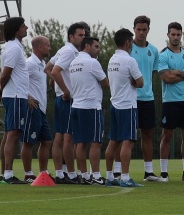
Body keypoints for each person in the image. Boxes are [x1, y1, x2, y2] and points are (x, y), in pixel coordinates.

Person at [157, 22, 184, 182]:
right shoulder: (163, 55)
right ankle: (164, 173)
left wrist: (176, 72)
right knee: (167, 135)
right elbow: (166, 78)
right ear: (168, 35)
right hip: (170, 101)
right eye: (173, 34)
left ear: (181, 35)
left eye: (178, 34)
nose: (176, 37)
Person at [47, 22, 86, 184]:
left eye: (84, 35)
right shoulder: (70, 51)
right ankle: (70, 174)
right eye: (80, 35)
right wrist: (65, 91)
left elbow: (48, 68)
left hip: (60, 98)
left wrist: (55, 86)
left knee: (60, 136)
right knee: (68, 138)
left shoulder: (63, 50)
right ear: (71, 36)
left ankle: (60, 173)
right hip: (67, 99)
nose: (83, 38)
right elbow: (55, 71)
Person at [104, 28, 144, 187]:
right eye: (131, 41)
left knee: (113, 141)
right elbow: (140, 82)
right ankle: (125, 178)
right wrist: (133, 81)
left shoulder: (112, 59)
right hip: (128, 106)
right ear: (128, 42)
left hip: (115, 104)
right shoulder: (130, 60)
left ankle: (109, 176)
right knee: (128, 142)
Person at [0, 17, 30, 185]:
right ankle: (8, 174)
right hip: (15, 95)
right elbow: (6, 73)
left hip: (14, 94)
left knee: (9, 134)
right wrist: (0, 91)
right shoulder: (14, 48)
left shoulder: (11, 47)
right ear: (16, 30)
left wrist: (0, 92)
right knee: (13, 135)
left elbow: (4, 74)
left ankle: (4, 173)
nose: (26, 28)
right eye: (23, 26)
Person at [69, 35, 108, 185]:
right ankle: (96, 176)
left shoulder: (73, 62)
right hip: (91, 107)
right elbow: (105, 83)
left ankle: (84, 175)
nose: (99, 50)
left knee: (80, 143)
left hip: (76, 106)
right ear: (87, 46)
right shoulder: (92, 62)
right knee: (96, 142)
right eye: (96, 46)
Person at [130, 15, 164, 182]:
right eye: (138, 29)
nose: (141, 33)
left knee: (147, 134)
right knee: (127, 136)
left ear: (148, 30)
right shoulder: (128, 49)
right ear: (134, 29)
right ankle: (119, 171)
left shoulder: (154, 50)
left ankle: (149, 172)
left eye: (144, 29)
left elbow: (152, 73)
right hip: (130, 99)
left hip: (148, 99)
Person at [20, 35, 53, 183]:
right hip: (33, 109)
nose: (50, 48)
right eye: (48, 45)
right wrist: (27, 97)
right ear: (40, 47)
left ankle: (43, 173)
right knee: (29, 141)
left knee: (47, 141)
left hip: (42, 109)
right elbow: (17, 81)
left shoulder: (42, 63)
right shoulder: (30, 63)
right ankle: (28, 174)